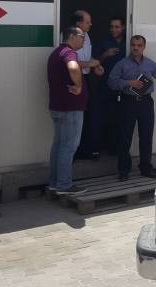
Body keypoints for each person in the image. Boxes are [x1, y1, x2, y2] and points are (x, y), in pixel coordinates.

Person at [107, 35, 156, 180]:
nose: (136, 48)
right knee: (124, 137)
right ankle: (123, 171)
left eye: (139, 45)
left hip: (145, 103)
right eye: (133, 45)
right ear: (130, 45)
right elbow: (111, 82)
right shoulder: (122, 64)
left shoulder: (150, 64)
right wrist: (129, 83)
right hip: (127, 103)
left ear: (144, 47)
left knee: (146, 136)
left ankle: (146, 168)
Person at [47, 26, 90, 195]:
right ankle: (64, 185)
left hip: (58, 107)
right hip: (70, 109)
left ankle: (54, 182)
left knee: (58, 145)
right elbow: (73, 67)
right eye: (82, 36)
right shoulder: (69, 52)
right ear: (72, 36)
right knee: (69, 146)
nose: (84, 39)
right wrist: (78, 86)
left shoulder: (56, 52)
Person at [77, 16, 126, 158]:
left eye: (117, 27)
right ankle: (94, 149)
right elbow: (93, 61)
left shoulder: (128, 43)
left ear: (123, 27)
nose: (114, 29)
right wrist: (105, 55)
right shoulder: (103, 41)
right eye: (111, 27)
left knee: (118, 118)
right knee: (97, 117)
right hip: (104, 85)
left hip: (122, 87)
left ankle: (115, 149)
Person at [73, 10, 104, 160]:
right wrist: (90, 64)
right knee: (75, 117)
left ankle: (86, 149)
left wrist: (95, 65)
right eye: (87, 21)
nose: (91, 24)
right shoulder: (69, 36)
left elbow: (87, 56)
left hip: (86, 78)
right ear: (78, 23)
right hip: (74, 79)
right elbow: (70, 62)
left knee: (89, 114)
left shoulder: (87, 36)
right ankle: (73, 153)